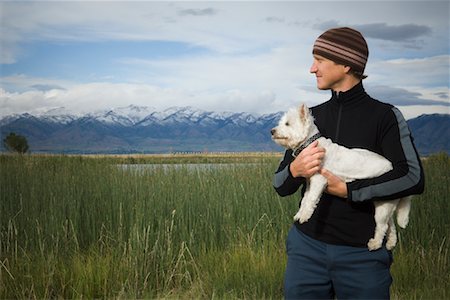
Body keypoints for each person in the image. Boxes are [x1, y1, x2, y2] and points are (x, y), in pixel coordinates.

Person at [273, 27, 425, 299]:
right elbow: (280, 185)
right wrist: (295, 171)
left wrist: (349, 191)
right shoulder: (311, 119)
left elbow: (412, 176)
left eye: (319, 60)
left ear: (346, 63)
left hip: (362, 256)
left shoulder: (385, 117)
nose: (312, 68)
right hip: (306, 250)